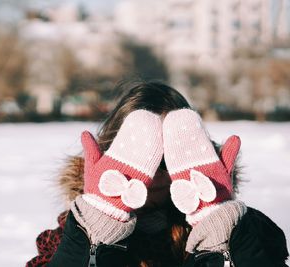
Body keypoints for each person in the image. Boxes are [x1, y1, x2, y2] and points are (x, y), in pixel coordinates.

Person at [26, 81, 288, 267]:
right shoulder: (69, 234)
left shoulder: (247, 233)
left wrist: (218, 227)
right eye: (135, 158)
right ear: (107, 153)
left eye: (169, 160)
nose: (150, 175)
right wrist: (98, 226)